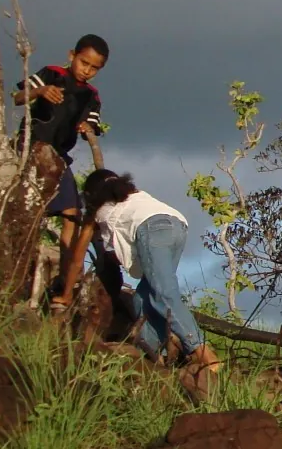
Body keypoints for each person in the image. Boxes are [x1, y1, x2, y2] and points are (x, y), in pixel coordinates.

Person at [56, 169, 219, 395]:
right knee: (143, 298)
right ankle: (152, 358)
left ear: (91, 193)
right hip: (178, 225)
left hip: (152, 228)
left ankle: (205, 355)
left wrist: (65, 295)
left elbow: (77, 258)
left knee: (163, 293)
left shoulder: (97, 210)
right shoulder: (135, 197)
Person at [12, 36, 109, 294]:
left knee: (72, 214)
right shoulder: (52, 74)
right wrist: (40, 91)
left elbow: (92, 124)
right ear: (71, 56)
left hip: (59, 157)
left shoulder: (91, 95)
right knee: (28, 211)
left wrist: (87, 128)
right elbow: (17, 97)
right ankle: (18, 263)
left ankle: (64, 279)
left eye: (94, 68)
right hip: (31, 148)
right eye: (83, 63)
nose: (86, 70)